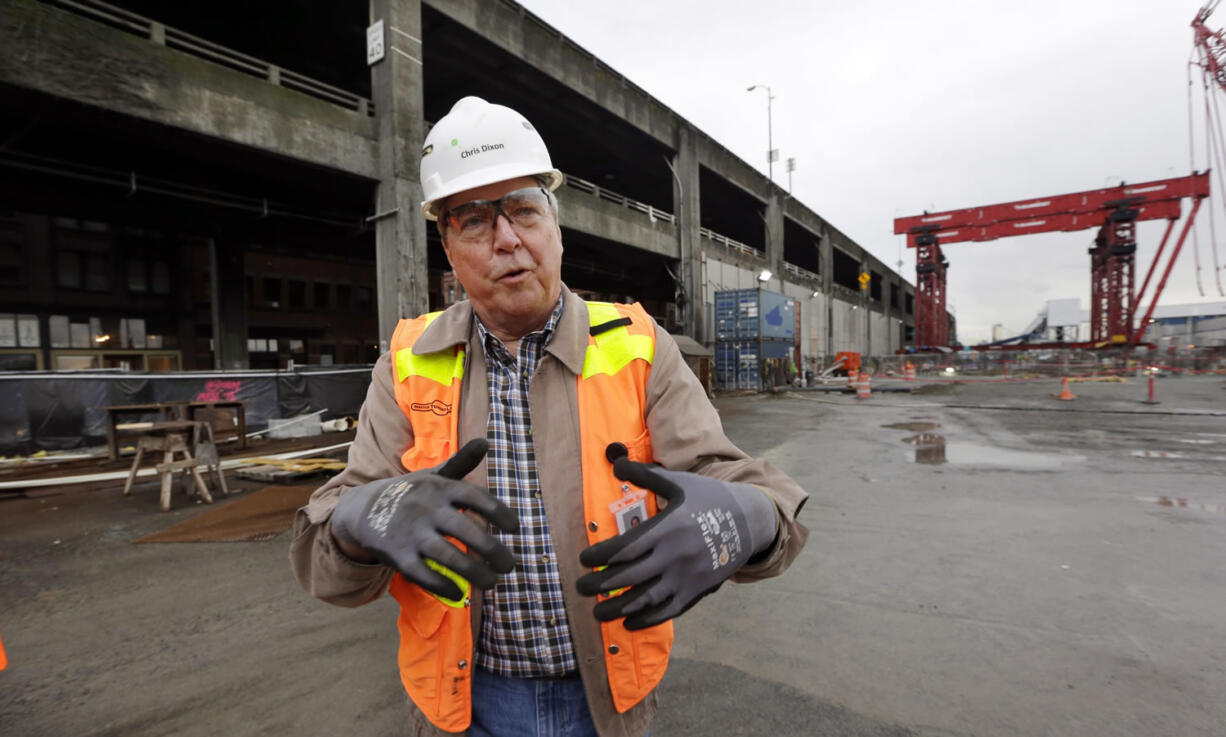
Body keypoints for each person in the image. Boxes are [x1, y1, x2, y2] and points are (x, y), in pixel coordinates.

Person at [290, 96, 809, 737]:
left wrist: (748, 516)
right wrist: (354, 518)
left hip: (605, 704)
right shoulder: (407, 361)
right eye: (475, 220)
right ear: (448, 247)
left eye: (524, 210)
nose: (508, 238)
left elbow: (740, 484)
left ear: (556, 228)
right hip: (462, 706)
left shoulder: (640, 347)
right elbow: (326, 565)